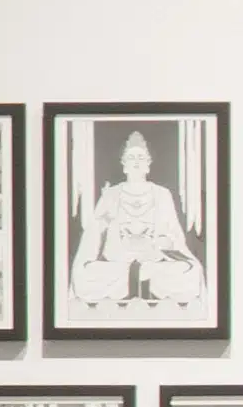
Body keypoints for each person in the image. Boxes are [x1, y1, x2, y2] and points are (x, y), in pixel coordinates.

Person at [71, 130, 202, 314]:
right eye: (131, 157)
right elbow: (92, 239)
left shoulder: (162, 195)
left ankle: (140, 283)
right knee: (85, 274)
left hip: (154, 262)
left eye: (141, 157)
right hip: (117, 265)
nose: (136, 162)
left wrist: (166, 243)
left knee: (190, 272)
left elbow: (176, 237)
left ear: (148, 164)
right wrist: (103, 222)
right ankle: (135, 283)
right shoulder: (111, 194)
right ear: (124, 165)